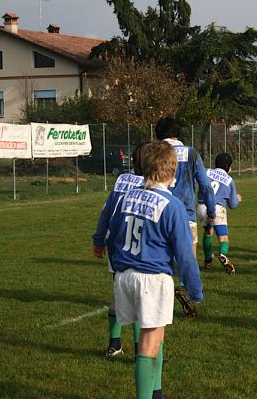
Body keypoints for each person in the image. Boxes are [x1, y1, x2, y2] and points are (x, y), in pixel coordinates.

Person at [105, 141, 203, 398]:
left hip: (125, 275)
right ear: (173, 174)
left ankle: (156, 391)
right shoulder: (172, 206)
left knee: (155, 337)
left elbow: (112, 234)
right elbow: (185, 255)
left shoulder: (128, 196)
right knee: (148, 345)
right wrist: (195, 290)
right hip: (152, 279)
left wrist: (118, 266)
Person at [92, 142, 147, 358]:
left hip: (115, 241)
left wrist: (98, 239)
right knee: (141, 297)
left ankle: (114, 344)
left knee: (118, 290)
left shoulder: (123, 179)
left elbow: (107, 211)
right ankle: (139, 350)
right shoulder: (150, 183)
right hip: (137, 244)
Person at [155, 117, 216, 257]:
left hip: (158, 214)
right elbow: (206, 186)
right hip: (186, 215)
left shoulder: (153, 152)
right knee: (188, 265)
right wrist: (211, 211)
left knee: (160, 266)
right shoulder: (191, 153)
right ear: (178, 133)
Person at [198, 153, 242, 274]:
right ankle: (222, 254)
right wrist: (237, 199)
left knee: (208, 232)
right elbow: (233, 205)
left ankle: (207, 259)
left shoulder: (206, 171)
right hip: (217, 208)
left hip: (202, 207)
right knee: (223, 238)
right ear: (228, 167)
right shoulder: (229, 180)